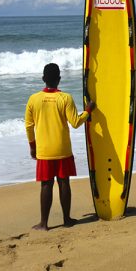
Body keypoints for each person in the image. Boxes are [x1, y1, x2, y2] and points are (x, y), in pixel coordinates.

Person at [25, 63, 94, 231]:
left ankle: (44, 223)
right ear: (59, 79)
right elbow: (76, 123)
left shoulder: (34, 99)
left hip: (44, 150)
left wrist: (33, 147)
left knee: (46, 185)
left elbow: (28, 126)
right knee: (64, 183)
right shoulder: (65, 98)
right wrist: (88, 111)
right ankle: (67, 219)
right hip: (62, 149)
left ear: (43, 79)